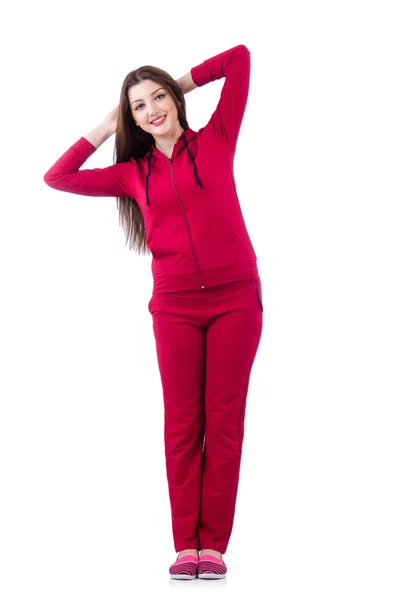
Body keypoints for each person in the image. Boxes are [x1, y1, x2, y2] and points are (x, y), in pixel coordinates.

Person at [43, 44, 264, 580]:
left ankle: (213, 545)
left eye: (158, 96)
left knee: (225, 421)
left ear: (175, 99)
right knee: (183, 423)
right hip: (175, 308)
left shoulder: (216, 138)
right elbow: (58, 175)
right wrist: (109, 121)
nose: (152, 110)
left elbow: (238, 58)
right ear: (131, 118)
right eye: (138, 106)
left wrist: (178, 84)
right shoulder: (130, 173)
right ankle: (185, 544)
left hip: (236, 298)